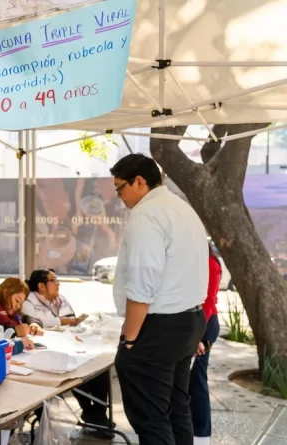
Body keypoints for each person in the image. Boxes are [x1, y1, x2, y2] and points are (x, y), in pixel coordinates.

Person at [111, 153, 207, 445]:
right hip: (189, 320)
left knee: (152, 418)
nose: (119, 197)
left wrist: (129, 339)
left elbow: (142, 284)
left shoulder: (146, 215)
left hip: (159, 327)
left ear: (139, 182)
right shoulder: (182, 208)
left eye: (120, 188)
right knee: (177, 409)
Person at [24, 268, 112, 436]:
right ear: (41, 286)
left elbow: (72, 319)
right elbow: (40, 322)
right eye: (54, 281)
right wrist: (65, 321)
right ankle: (92, 415)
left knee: (98, 369)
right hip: (49, 351)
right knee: (75, 370)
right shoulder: (29, 301)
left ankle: (98, 414)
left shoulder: (60, 299)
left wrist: (66, 321)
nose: (58, 284)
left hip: (71, 343)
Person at [190, 244, 223, 445]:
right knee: (187, 382)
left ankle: (201, 437)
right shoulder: (191, 260)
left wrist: (196, 337)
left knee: (196, 381)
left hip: (204, 325)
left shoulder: (210, 263)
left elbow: (208, 302)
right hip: (193, 325)